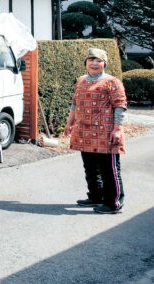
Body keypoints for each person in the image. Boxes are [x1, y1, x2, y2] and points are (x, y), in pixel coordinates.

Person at [64, 47, 127, 214]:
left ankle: (114, 203)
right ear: (86, 62)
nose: (94, 63)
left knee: (109, 169)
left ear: (104, 63)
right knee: (90, 167)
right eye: (91, 60)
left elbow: (120, 106)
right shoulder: (81, 80)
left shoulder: (112, 82)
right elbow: (75, 103)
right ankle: (96, 196)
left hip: (105, 132)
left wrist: (118, 129)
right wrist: (69, 123)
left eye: (98, 60)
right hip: (83, 131)